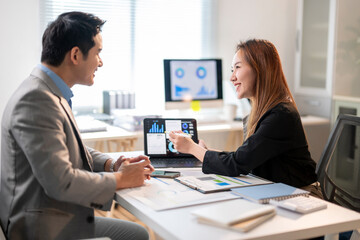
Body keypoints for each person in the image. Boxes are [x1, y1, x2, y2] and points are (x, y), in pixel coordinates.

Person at [0, 11, 154, 240]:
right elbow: (61, 182)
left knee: (136, 233)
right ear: (75, 55)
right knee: (136, 236)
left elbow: (69, 148)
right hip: (39, 229)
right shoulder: (36, 100)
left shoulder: (48, 91)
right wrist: (122, 179)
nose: (101, 62)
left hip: (50, 216)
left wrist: (112, 164)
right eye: (98, 53)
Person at [169, 39, 322, 197]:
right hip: (277, 190)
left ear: (260, 69)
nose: (232, 77)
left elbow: (237, 164)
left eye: (237, 67)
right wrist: (204, 152)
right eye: (232, 69)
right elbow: (245, 158)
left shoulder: (280, 115)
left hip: (301, 195)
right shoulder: (258, 114)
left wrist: (192, 148)